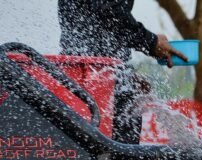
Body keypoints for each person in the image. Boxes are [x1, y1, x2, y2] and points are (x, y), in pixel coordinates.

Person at [58, 0, 187, 144]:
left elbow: (100, 22)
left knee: (85, 148)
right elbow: (110, 12)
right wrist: (151, 42)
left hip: (78, 74)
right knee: (116, 155)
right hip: (98, 77)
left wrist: (126, 74)